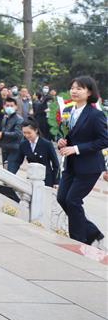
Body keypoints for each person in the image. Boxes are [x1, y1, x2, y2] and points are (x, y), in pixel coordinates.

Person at [56, 76, 108, 246]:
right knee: (62, 198)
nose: (74, 91)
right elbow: (69, 136)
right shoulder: (69, 112)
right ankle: (91, 231)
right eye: (72, 87)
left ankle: (78, 241)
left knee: (72, 200)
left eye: (79, 88)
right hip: (71, 165)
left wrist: (76, 149)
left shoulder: (96, 114)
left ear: (89, 92)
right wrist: (62, 142)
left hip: (89, 166)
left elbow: (104, 140)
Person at [19, 121, 61, 187]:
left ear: (36, 130)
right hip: (31, 178)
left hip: (46, 179)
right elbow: (17, 161)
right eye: (24, 133)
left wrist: (56, 182)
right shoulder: (23, 144)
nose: (26, 135)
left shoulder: (47, 144)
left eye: (29, 133)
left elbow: (56, 164)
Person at [0, 97, 24, 173]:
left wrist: (3, 134)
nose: (9, 107)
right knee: (5, 171)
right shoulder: (5, 118)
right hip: (5, 147)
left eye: (11, 105)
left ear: (16, 107)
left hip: (14, 149)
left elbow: (18, 134)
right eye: (7, 105)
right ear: (4, 106)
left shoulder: (19, 119)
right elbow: (4, 131)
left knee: (10, 172)